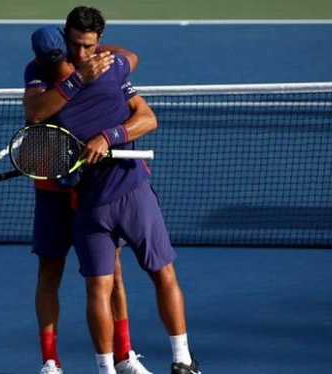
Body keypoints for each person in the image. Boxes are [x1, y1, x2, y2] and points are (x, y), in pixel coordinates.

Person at [43, 7, 202, 374]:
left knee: (163, 273)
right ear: (63, 37)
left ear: (98, 43)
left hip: (132, 191)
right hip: (89, 203)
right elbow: (36, 114)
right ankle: (105, 369)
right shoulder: (51, 82)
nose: (82, 54)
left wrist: (108, 136)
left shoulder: (113, 68)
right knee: (97, 288)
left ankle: (182, 360)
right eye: (74, 45)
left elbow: (148, 117)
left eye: (89, 47)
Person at [24, 26, 155, 374]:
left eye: (62, 57)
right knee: (50, 272)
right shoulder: (38, 74)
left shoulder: (89, 60)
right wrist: (76, 79)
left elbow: (131, 57)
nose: (57, 64)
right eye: (49, 60)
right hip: (53, 192)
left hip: (93, 192)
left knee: (111, 274)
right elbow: (36, 114)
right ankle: (50, 362)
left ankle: (124, 356)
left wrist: (101, 55)